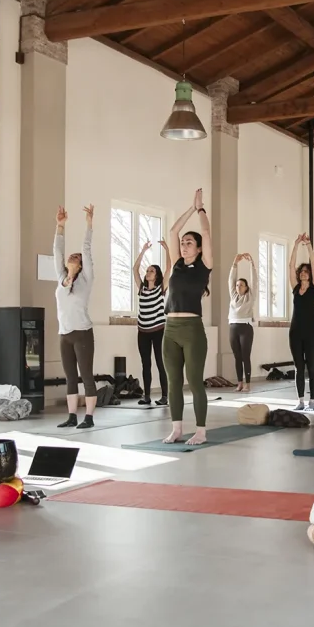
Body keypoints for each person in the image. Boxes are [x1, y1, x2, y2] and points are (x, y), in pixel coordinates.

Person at [162, 188, 213, 445]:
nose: (183, 245)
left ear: (199, 248)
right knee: (173, 383)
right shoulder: (177, 263)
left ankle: (201, 431)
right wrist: (190, 208)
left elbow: (205, 232)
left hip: (192, 329)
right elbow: (172, 231)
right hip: (170, 328)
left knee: (194, 381)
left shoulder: (204, 265)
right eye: (183, 243)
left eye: (189, 242)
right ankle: (177, 429)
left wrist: (201, 209)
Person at [54, 203, 97, 430]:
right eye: (72, 255)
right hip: (64, 334)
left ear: (81, 265)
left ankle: (88, 417)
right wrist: (60, 226)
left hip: (82, 334)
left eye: (77, 257)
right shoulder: (62, 277)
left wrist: (89, 225)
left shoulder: (85, 280)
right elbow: (57, 252)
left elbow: (86, 249)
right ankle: (72, 416)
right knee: (70, 377)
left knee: (86, 376)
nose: (73, 255)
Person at [133, 239, 172, 406]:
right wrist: (142, 251)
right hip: (143, 331)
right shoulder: (141, 288)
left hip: (158, 331)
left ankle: (164, 396)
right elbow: (134, 269)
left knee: (160, 362)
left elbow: (169, 268)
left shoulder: (160, 288)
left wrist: (168, 250)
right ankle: (147, 396)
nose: (148, 273)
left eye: (152, 271)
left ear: (157, 276)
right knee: (145, 363)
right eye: (148, 270)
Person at [289, 234, 314, 410]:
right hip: (295, 331)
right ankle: (301, 400)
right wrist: (295, 245)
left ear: (310, 275)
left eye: (306, 271)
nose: (303, 273)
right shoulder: (295, 288)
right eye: (301, 271)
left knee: (312, 366)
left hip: (311, 331)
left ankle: (312, 402)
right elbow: (290, 265)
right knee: (298, 367)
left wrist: (309, 246)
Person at [228, 252, 257, 393]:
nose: (238, 287)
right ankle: (239, 383)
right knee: (237, 357)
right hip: (233, 327)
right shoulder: (233, 296)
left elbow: (254, 281)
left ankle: (248, 383)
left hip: (245, 328)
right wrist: (235, 263)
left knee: (245, 356)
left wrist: (252, 264)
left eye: (241, 285)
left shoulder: (250, 297)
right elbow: (230, 280)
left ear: (246, 288)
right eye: (237, 285)